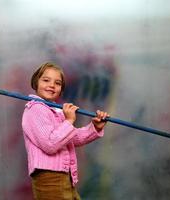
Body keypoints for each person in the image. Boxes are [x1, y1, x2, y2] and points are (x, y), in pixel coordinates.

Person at [22, 62, 109, 200]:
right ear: (35, 83)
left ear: (61, 89)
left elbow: (71, 138)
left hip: (65, 178)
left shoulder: (55, 111)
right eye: (46, 80)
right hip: (49, 178)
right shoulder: (35, 109)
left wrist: (95, 127)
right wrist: (69, 121)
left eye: (57, 83)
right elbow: (50, 144)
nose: (52, 85)